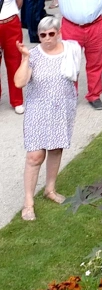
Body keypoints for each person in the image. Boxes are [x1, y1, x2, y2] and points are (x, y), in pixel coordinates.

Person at [16, 17, 83, 221]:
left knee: (55, 148)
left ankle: (50, 189)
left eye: (51, 34)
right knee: (34, 156)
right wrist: (25, 58)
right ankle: (28, 202)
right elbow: (19, 82)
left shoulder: (70, 50)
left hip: (62, 108)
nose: (46, 38)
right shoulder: (33, 54)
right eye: (42, 34)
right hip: (38, 110)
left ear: (58, 32)